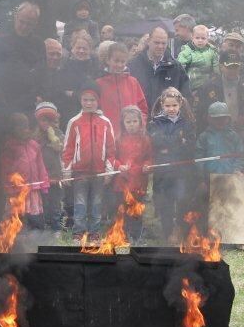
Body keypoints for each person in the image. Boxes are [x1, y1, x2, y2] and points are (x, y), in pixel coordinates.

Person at [61, 82, 116, 240]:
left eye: (92, 100)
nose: (89, 103)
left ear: (97, 101)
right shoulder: (74, 122)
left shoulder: (106, 122)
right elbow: (68, 149)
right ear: (81, 100)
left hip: (99, 172)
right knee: (80, 203)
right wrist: (66, 172)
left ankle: (94, 232)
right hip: (80, 172)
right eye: (85, 99)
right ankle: (79, 231)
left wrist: (109, 171)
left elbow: (111, 150)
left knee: (97, 203)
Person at [148, 87, 195, 243]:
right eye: (167, 106)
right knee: (165, 202)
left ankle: (181, 230)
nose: (171, 109)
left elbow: (190, 145)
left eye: (174, 105)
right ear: (162, 105)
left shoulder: (187, 122)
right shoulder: (155, 122)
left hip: (181, 170)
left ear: (180, 104)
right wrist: (178, 140)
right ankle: (168, 233)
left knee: (181, 199)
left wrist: (170, 144)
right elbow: (156, 142)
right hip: (163, 170)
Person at [0, 1, 46, 118]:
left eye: (29, 24)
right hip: (2, 105)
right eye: (21, 22)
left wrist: (39, 95)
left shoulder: (39, 44)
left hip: (28, 106)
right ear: (15, 18)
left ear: (35, 23)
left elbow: (42, 73)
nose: (24, 27)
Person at [0, 112, 49, 230]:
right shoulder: (10, 147)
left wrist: (44, 182)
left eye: (25, 127)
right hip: (18, 190)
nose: (23, 130)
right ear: (13, 129)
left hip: (33, 189)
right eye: (19, 127)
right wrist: (9, 187)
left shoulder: (34, 145)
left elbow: (40, 166)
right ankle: (18, 239)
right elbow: (5, 170)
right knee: (17, 215)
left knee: (34, 215)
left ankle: (35, 236)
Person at [112, 105, 151, 242]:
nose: (132, 125)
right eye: (128, 122)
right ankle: (122, 234)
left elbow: (149, 157)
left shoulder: (145, 139)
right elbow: (112, 157)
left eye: (135, 121)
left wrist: (147, 165)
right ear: (123, 123)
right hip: (122, 182)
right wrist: (119, 165)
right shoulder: (118, 139)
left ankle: (136, 236)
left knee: (136, 210)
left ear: (140, 122)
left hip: (139, 182)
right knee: (122, 209)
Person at [128, 26, 190, 112]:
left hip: (168, 121)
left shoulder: (176, 68)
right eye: (157, 43)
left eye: (163, 43)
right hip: (141, 120)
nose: (160, 46)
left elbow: (185, 95)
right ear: (149, 41)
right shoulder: (133, 65)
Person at [95, 41, 147, 138]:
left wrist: (140, 126)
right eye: (116, 61)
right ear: (108, 60)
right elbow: (95, 110)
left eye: (122, 61)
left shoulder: (133, 82)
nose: (119, 64)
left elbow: (142, 108)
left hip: (131, 137)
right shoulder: (99, 84)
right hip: (108, 136)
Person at [194, 51, 244, 130]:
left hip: (242, 130)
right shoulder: (209, 87)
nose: (233, 70)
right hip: (215, 131)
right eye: (229, 67)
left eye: (235, 67)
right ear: (221, 66)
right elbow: (201, 112)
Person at [33, 102, 65, 231]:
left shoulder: (59, 134)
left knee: (55, 203)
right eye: (43, 120)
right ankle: (43, 226)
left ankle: (56, 227)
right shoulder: (34, 136)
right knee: (43, 202)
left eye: (50, 120)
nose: (47, 123)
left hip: (55, 175)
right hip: (40, 176)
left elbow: (60, 148)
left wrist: (52, 136)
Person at [54, 33, 100, 122]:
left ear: (90, 50)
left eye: (85, 48)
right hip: (69, 115)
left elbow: (96, 92)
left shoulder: (95, 68)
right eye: (78, 48)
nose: (81, 51)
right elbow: (61, 91)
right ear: (72, 48)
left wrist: (74, 94)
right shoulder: (65, 68)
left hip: (90, 115)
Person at [196, 101, 244, 175]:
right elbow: (199, 159)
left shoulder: (234, 136)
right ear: (209, 119)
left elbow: (240, 155)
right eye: (216, 118)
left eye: (223, 118)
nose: (220, 121)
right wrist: (202, 178)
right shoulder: (204, 137)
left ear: (228, 118)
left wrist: (237, 169)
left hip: (230, 176)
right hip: (210, 177)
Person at [177, 24, 218, 91]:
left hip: (207, 82)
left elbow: (216, 65)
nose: (200, 40)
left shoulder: (212, 50)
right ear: (192, 38)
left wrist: (216, 75)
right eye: (197, 38)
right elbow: (180, 65)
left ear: (207, 39)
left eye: (203, 38)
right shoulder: (187, 50)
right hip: (192, 82)